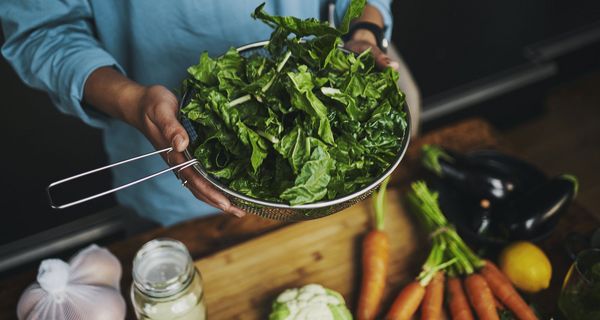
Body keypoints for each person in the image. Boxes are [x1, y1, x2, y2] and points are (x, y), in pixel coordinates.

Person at [1, 0, 419, 226]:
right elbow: (44, 32)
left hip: (326, 181)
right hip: (169, 165)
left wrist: (364, 32)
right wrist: (132, 101)